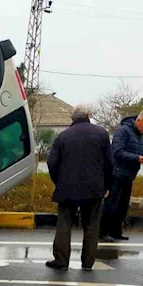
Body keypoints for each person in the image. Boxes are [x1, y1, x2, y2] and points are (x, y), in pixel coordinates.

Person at [45, 104, 113, 271]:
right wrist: (106, 185)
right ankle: (88, 262)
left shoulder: (63, 136)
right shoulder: (102, 134)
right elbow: (109, 163)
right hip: (94, 188)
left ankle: (61, 260)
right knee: (91, 226)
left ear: (72, 118)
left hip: (67, 187)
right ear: (89, 115)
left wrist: (58, 181)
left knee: (64, 224)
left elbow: (52, 162)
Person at [100, 109, 143, 241]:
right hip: (116, 172)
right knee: (111, 203)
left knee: (123, 204)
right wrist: (136, 157)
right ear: (138, 120)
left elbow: (140, 150)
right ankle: (103, 231)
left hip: (130, 173)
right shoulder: (122, 131)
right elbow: (117, 152)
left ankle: (116, 231)